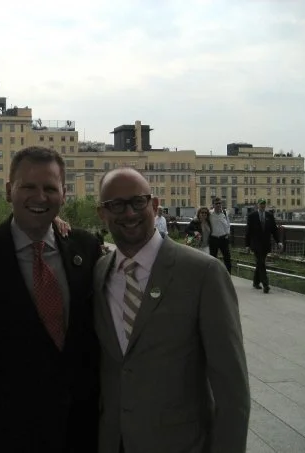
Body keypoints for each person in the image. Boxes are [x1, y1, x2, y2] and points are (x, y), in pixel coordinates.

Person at [93, 167, 250, 453]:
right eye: (116, 205)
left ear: (154, 206)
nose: (128, 213)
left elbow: (232, 391)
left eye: (138, 201)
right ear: (102, 213)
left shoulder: (203, 274)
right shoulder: (99, 273)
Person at [0, 146, 102, 453]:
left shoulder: (86, 249)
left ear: (64, 194)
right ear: (10, 191)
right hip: (10, 431)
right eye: (29, 187)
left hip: (81, 428)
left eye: (50, 188)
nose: (40, 197)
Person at [245, 199, 283, 294]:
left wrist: (279, 242)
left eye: (264, 204)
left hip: (266, 244)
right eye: (261, 204)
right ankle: (266, 285)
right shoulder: (252, 216)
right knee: (261, 263)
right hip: (256, 244)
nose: (262, 206)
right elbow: (248, 232)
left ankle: (255, 282)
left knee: (259, 263)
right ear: (257, 205)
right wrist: (247, 245)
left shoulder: (269, 216)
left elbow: (274, 230)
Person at [209, 197, 232, 273]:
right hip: (213, 239)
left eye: (220, 203)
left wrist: (228, 233)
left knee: (227, 258)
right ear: (213, 205)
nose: (218, 205)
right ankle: (213, 276)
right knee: (213, 259)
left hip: (223, 239)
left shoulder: (224, 213)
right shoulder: (210, 213)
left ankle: (228, 276)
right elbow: (199, 217)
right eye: (216, 203)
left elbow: (228, 224)